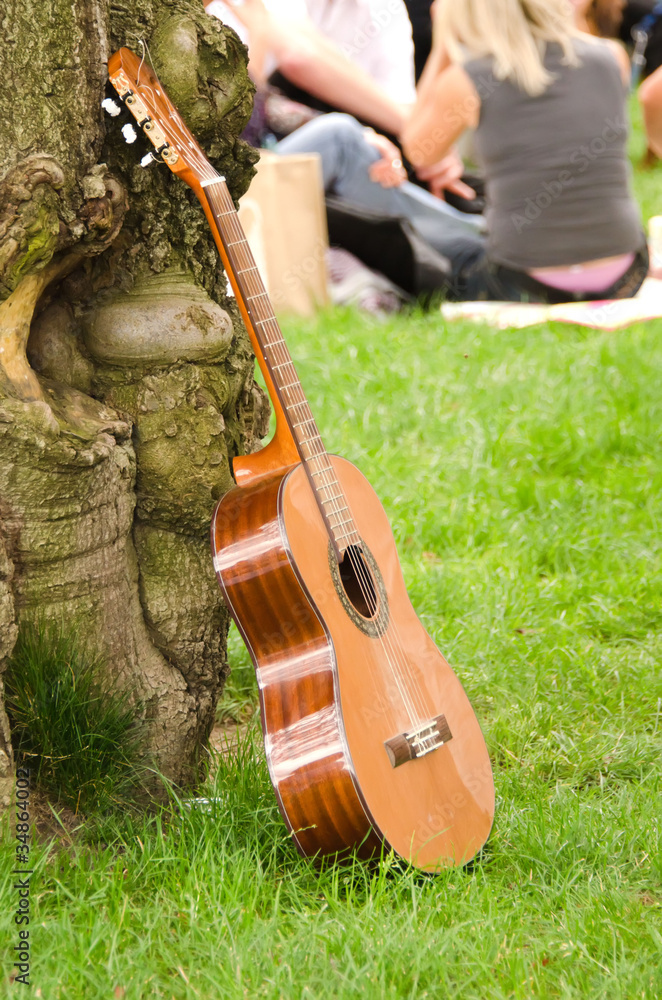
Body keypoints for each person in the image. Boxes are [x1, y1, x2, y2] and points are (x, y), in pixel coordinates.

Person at [401, 0, 648, 302]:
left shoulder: (467, 80)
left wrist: (443, 48)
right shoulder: (612, 57)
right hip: (625, 272)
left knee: (421, 238)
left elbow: (418, 151)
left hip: (523, 280)